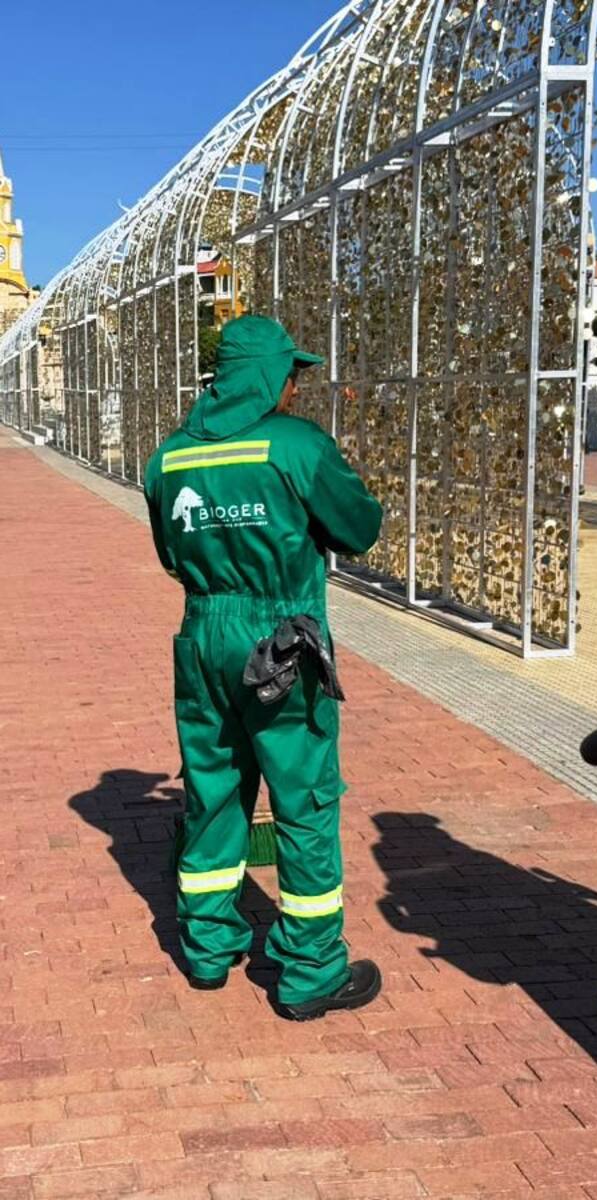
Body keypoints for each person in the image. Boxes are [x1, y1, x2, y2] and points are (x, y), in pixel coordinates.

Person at [143, 315, 384, 1020]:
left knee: (214, 788)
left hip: (202, 633)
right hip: (281, 636)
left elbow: (168, 554)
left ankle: (209, 947)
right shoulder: (296, 445)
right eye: (291, 374)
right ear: (268, 376)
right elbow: (359, 528)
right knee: (304, 799)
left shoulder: (170, 456)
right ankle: (310, 969)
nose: (294, 388)